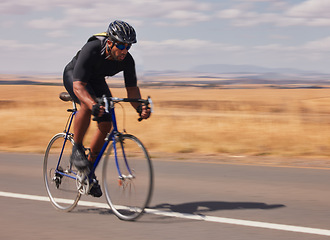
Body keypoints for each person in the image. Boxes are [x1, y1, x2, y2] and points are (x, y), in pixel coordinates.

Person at [63, 20, 151, 197]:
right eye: (121, 45)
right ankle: (77, 149)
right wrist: (93, 104)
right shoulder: (92, 48)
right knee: (88, 106)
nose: (125, 50)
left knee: (106, 124)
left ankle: (88, 170)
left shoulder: (127, 60)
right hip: (75, 77)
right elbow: (79, 86)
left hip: (96, 80)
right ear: (110, 42)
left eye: (128, 46)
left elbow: (132, 90)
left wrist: (139, 106)